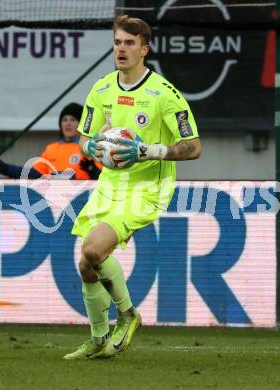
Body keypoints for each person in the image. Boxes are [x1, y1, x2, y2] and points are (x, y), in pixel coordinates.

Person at [63, 15, 201, 360]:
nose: (121, 49)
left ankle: (127, 315)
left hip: (147, 186)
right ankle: (98, 340)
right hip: (110, 184)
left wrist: (149, 151)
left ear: (145, 49)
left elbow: (194, 146)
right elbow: (84, 137)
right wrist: (90, 148)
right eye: (117, 43)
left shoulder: (164, 95)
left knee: (94, 250)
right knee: (86, 264)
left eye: (129, 43)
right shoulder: (102, 88)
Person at [0, 102, 101, 180]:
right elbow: (34, 173)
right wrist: (5, 168)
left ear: (82, 124)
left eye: (73, 119)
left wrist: (93, 171)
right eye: (64, 119)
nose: (68, 123)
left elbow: (107, 179)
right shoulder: (52, 149)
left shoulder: (89, 147)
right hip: (55, 205)